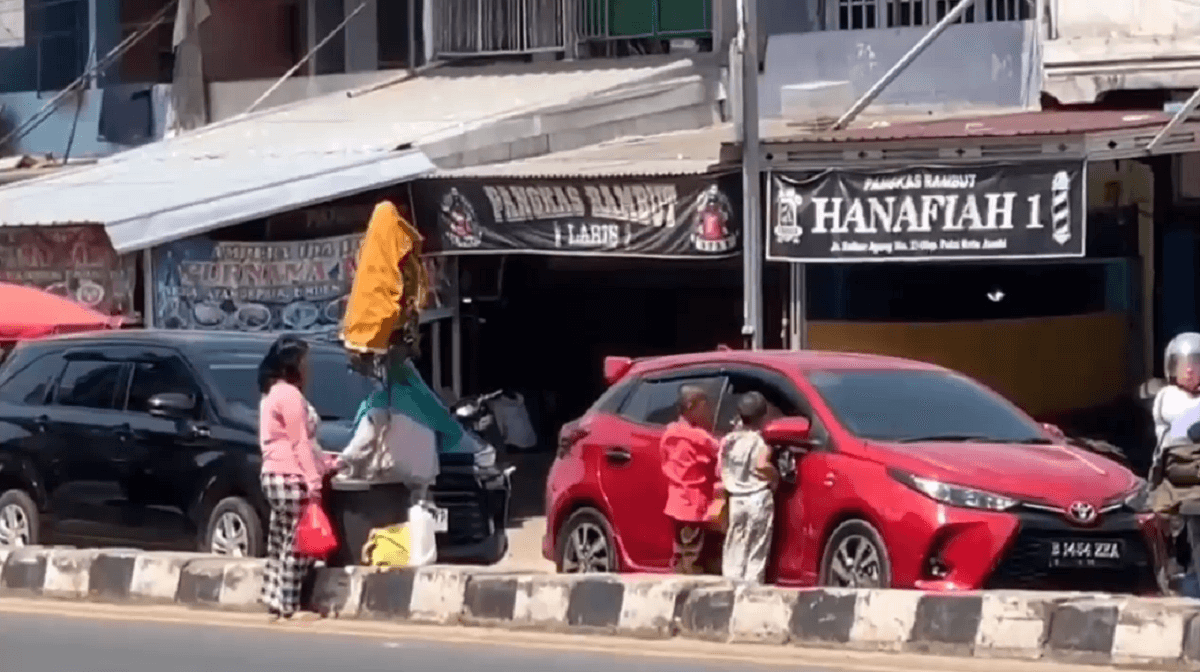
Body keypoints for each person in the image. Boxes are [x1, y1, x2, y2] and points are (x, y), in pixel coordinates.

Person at [257, 335, 339, 622]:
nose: (309, 367)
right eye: (305, 361)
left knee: (280, 539)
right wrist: (314, 481)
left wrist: (327, 461)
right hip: (291, 476)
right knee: (298, 544)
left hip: (273, 474)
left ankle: (273, 599)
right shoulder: (289, 396)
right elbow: (299, 442)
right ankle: (289, 605)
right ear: (293, 364)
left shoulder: (271, 394)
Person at [660, 384, 721, 574]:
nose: (709, 411)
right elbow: (719, 451)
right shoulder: (699, 437)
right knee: (693, 555)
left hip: (675, 502)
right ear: (691, 405)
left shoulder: (668, 433)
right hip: (694, 504)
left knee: (679, 552)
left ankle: (678, 588)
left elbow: (664, 460)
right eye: (705, 406)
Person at [719, 392, 779, 583]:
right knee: (756, 548)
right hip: (758, 497)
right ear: (763, 417)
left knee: (734, 546)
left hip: (736, 499)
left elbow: (721, 467)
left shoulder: (728, 441)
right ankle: (752, 589)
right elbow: (761, 466)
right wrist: (775, 476)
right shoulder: (759, 441)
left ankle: (731, 586)